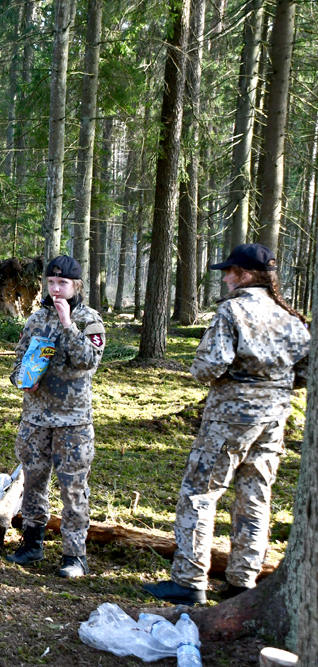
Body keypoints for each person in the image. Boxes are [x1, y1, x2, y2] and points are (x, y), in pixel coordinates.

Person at [144, 243, 309, 605]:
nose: (225, 278)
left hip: (228, 420)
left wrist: (236, 378)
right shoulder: (293, 318)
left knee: (200, 494)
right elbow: (305, 373)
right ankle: (242, 581)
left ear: (244, 274)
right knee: (255, 497)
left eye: (229, 271)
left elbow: (207, 367)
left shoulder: (233, 312)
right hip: (273, 420)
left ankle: (189, 580)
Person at [5, 255, 106, 578]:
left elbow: (87, 361)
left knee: (73, 488)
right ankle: (32, 543)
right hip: (36, 418)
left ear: (76, 285)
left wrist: (68, 325)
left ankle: (74, 555)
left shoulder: (90, 321)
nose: (56, 289)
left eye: (62, 283)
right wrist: (24, 379)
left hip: (73, 422)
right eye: (51, 282)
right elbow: (18, 363)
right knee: (33, 482)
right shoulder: (35, 319)